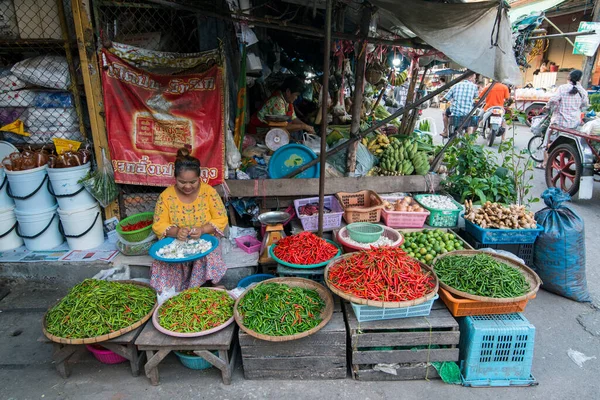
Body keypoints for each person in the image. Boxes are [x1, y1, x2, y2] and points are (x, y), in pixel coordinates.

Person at [150, 148, 228, 293]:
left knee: (208, 255)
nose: (187, 186)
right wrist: (177, 232)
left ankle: (212, 284)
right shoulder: (166, 196)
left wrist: (203, 230)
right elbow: (159, 224)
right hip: (176, 242)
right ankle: (173, 290)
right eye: (182, 182)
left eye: (193, 182)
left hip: (205, 240)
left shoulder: (209, 192)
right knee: (164, 261)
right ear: (175, 179)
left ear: (199, 177)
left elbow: (221, 218)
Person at [540, 69, 589, 167]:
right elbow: (585, 105)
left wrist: (547, 107)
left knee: (547, 142)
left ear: (569, 77)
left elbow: (553, 99)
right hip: (574, 123)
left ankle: (545, 163)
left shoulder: (563, 88)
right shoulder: (583, 91)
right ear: (580, 79)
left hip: (559, 122)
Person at [248, 76, 315, 136]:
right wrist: (303, 126)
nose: (296, 98)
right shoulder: (278, 102)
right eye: (296, 95)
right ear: (288, 91)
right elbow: (281, 127)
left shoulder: (288, 102)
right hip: (257, 133)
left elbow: (293, 118)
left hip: (270, 132)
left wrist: (308, 127)